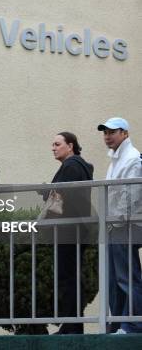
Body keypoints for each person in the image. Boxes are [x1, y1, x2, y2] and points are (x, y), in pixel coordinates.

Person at [98, 117, 142, 334]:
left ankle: (133, 324)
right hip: (116, 225)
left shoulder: (132, 158)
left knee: (126, 277)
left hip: (125, 226)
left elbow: (131, 196)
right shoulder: (118, 158)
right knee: (114, 279)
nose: (107, 136)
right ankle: (117, 323)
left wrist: (117, 221)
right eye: (105, 132)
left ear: (124, 133)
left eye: (112, 132)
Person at [48, 132, 94, 334]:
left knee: (67, 278)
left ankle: (72, 326)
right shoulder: (77, 166)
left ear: (71, 146)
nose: (53, 147)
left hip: (68, 230)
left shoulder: (71, 166)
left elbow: (66, 196)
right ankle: (72, 324)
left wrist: (48, 194)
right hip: (74, 229)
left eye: (57, 144)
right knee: (70, 277)